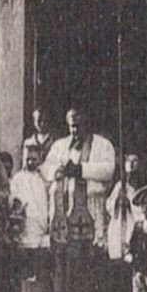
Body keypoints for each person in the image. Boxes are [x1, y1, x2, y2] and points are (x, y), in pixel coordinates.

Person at [43, 107, 118, 252]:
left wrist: (80, 170)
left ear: (87, 123)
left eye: (79, 125)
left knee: (90, 252)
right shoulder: (59, 145)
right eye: (72, 126)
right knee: (64, 253)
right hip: (63, 207)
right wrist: (58, 170)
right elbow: (46, 168)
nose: (75, 130)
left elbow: (109, 169)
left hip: (91, 206)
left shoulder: (103, 145)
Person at [45, 136, 96, 292]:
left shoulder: (95, 150)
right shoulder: (59, 148)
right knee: (60, 256)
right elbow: (47, 170)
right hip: (60, 218)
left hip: (80, 216)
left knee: (80, 256)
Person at [103, 152, 147, 292]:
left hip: (133, 223)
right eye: (129, 161)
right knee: (117, 260)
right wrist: (118, 200)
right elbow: (109, 205)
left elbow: (141, 208)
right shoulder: (119, 185)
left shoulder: (141, 185)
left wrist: (130, 200)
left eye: (135, 160)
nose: (131, 163)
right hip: (118, 223)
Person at [10, 142, 53, 292]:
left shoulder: (44, 179)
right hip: (25, 228)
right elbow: (15, 202)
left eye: (34, 159)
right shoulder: (18, 179)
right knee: (24, 268)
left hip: (42, 229)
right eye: (27, 159)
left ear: (39, 159)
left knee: (41, 265)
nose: (30, 162)